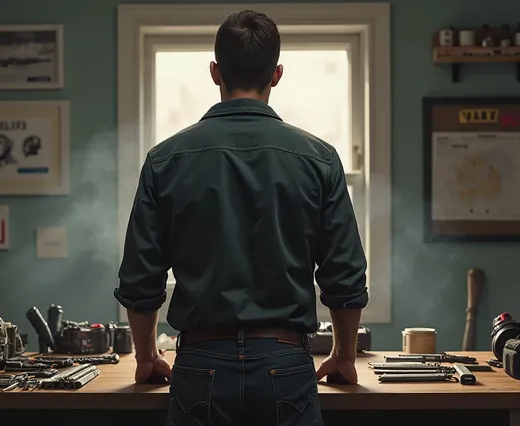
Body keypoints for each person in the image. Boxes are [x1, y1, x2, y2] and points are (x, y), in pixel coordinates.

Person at [114, 9, 368, 426]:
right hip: (286, 365)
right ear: (277, 74)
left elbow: (141, 282)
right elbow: (345, 277)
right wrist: (343, 356)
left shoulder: (165, 161)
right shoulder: (319, 160)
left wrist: (146, 357)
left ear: (215, 72)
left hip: (198, 366)